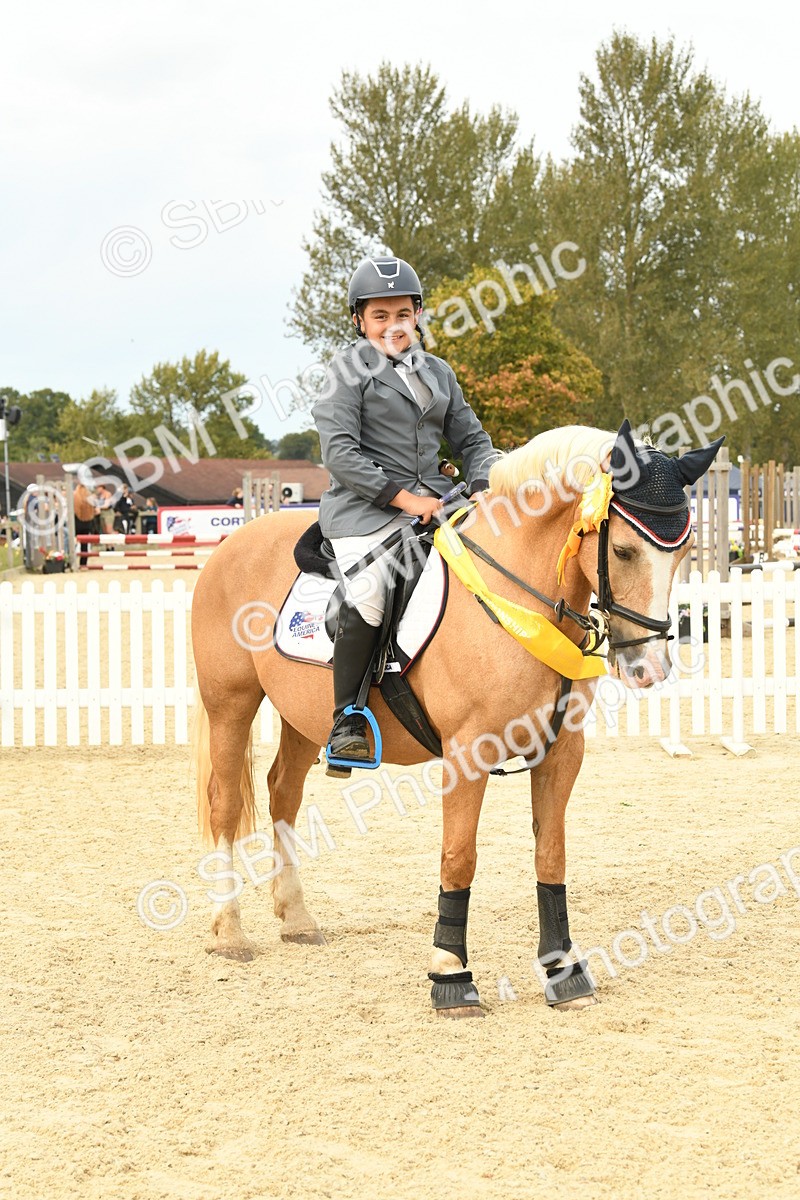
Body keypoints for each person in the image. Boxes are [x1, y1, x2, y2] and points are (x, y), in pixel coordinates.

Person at [312, 256, 499, 762]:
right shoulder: (345, 373)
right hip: (366, 511)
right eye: (379, 316)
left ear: (416, 314)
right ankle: (346, 719)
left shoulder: (438, 371)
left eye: (401, 313)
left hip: (439, 505)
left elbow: (474, 439)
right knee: (371, 591)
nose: (392, 325)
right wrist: (405, 498)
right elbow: (341, 455)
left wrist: (483, 481)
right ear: (359, 320)